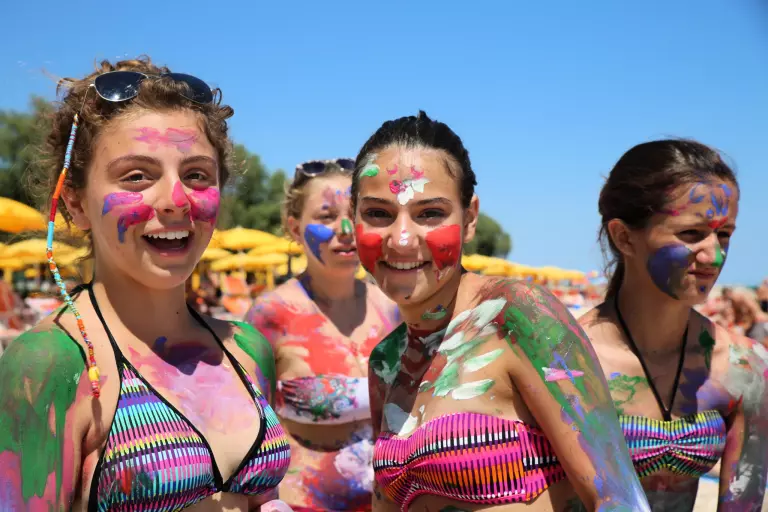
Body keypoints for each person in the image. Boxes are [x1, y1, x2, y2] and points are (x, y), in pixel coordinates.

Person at [0, 57, 292, 511]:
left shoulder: (248, 349)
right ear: (75, 202)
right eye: (136, 176)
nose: (176, 200)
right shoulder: (49, 364)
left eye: (196, 175)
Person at [355, 111, 651, 511]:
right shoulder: (387, 360)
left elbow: (616, 497)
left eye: (430, 213)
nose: (402, 239)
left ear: (469, 218)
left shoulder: (518, 316)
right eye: (378, 213)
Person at [579, 140, 768, 511]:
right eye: (691, 234)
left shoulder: (744, 367)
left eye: (724, 234)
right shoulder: (567, 359)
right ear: (623, 237)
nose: (714, 255)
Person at [245, 159, 400, 511]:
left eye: (356, 215)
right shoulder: (272, 314)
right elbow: (245, 429)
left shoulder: (391, 309)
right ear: (295, 227)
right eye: (326, 216)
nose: (345, 229)